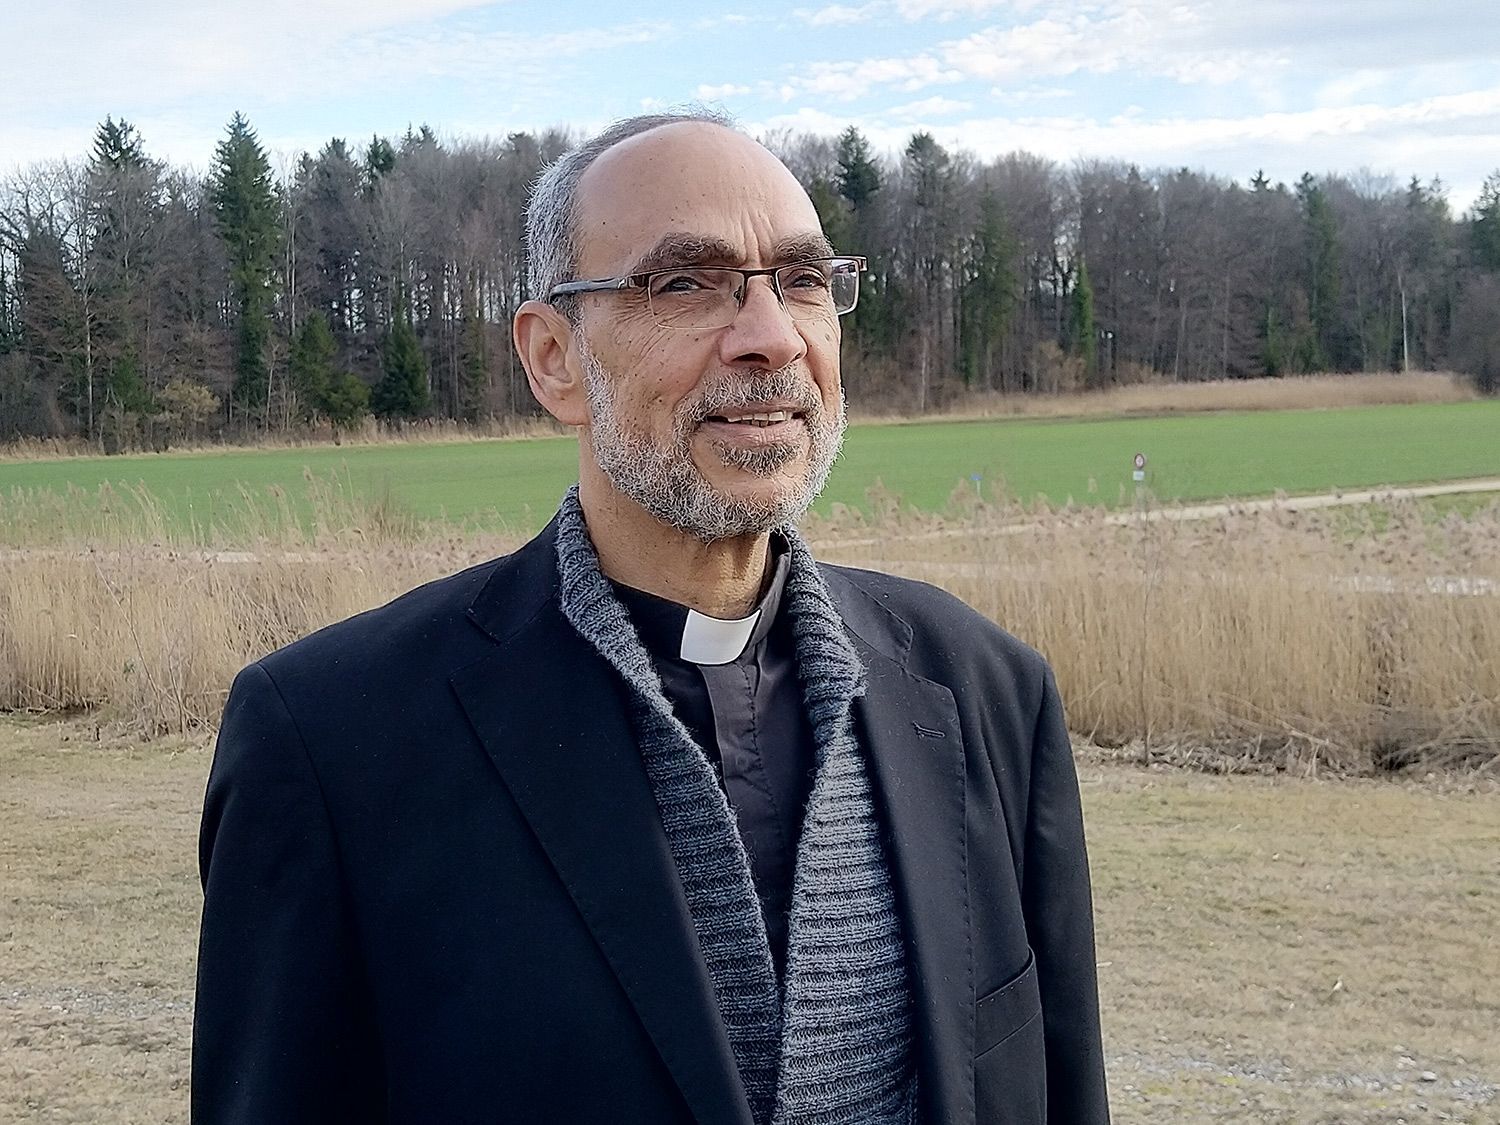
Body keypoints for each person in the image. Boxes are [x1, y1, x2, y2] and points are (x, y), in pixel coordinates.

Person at [192, 110, 1109, 1125]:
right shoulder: (334, 742)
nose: (772, 338)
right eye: (684, 283)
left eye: (803, 281)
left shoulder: (986, 690)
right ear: (552, 359)